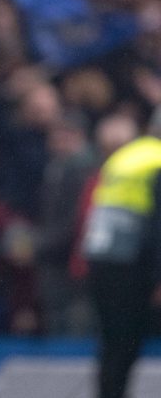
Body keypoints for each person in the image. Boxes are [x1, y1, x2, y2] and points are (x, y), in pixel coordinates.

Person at [81, 107, 161, 398]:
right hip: (133, 266)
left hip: (101, 260)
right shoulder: (157, 162)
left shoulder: (126, 157)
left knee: (113, 345)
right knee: (125, 344)